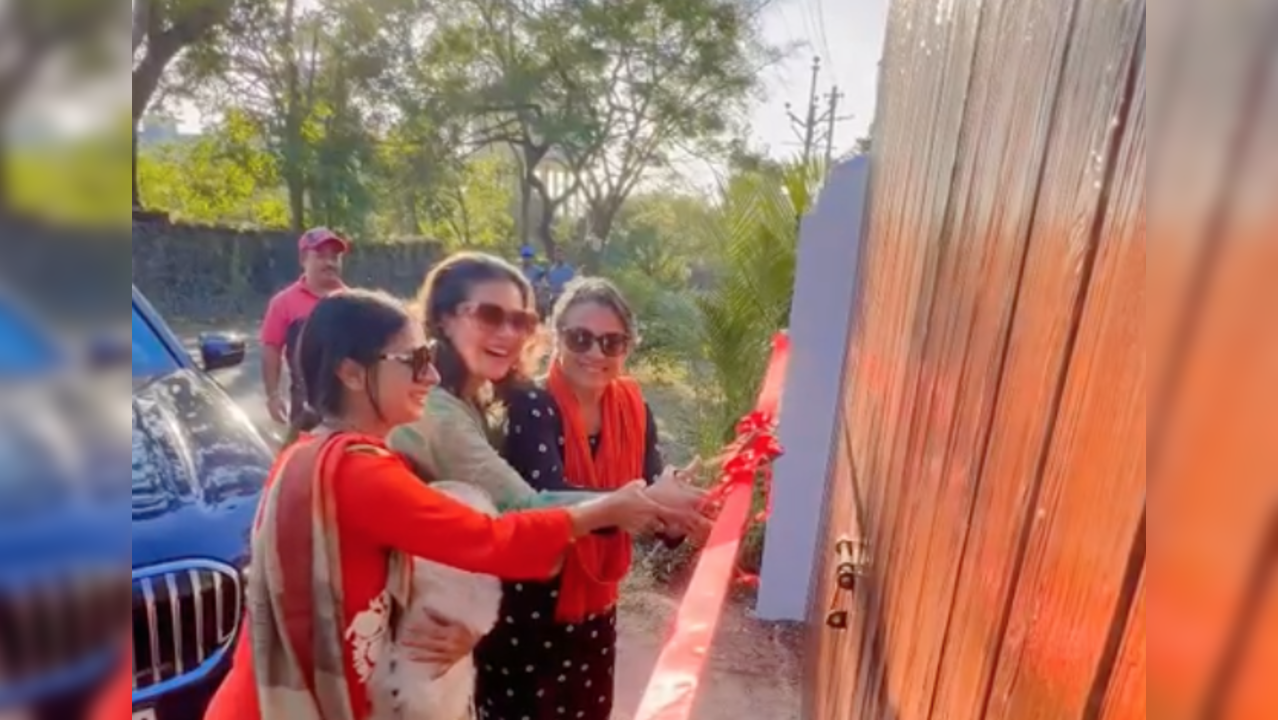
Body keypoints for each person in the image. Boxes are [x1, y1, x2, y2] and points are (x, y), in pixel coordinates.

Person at [204, 289, 663, 720]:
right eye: (416, 360)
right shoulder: (357, 474)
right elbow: (491, 540)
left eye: (431, 358)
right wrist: (604, 511)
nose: (432, 376)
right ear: (350, 371)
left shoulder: (310, 452)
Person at [474, 277, 696, 720]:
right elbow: (545, 498)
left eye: (611, 342)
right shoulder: (530, 404)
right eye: (580, 338)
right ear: (556, 337)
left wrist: (676, 516)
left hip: (595, 608)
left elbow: (649, 501)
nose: (595, 353)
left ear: (627, 348)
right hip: (527, 609)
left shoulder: (634, 408)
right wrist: (652, 499)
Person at [260, 227, 351, 426]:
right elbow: (271, 349)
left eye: (335, 257)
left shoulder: (354, 303)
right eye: (320, 256)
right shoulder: (283, 303)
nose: (329, 263)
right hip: (305, 409)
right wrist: (273, 395)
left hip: (351, 409)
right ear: (303, 260)